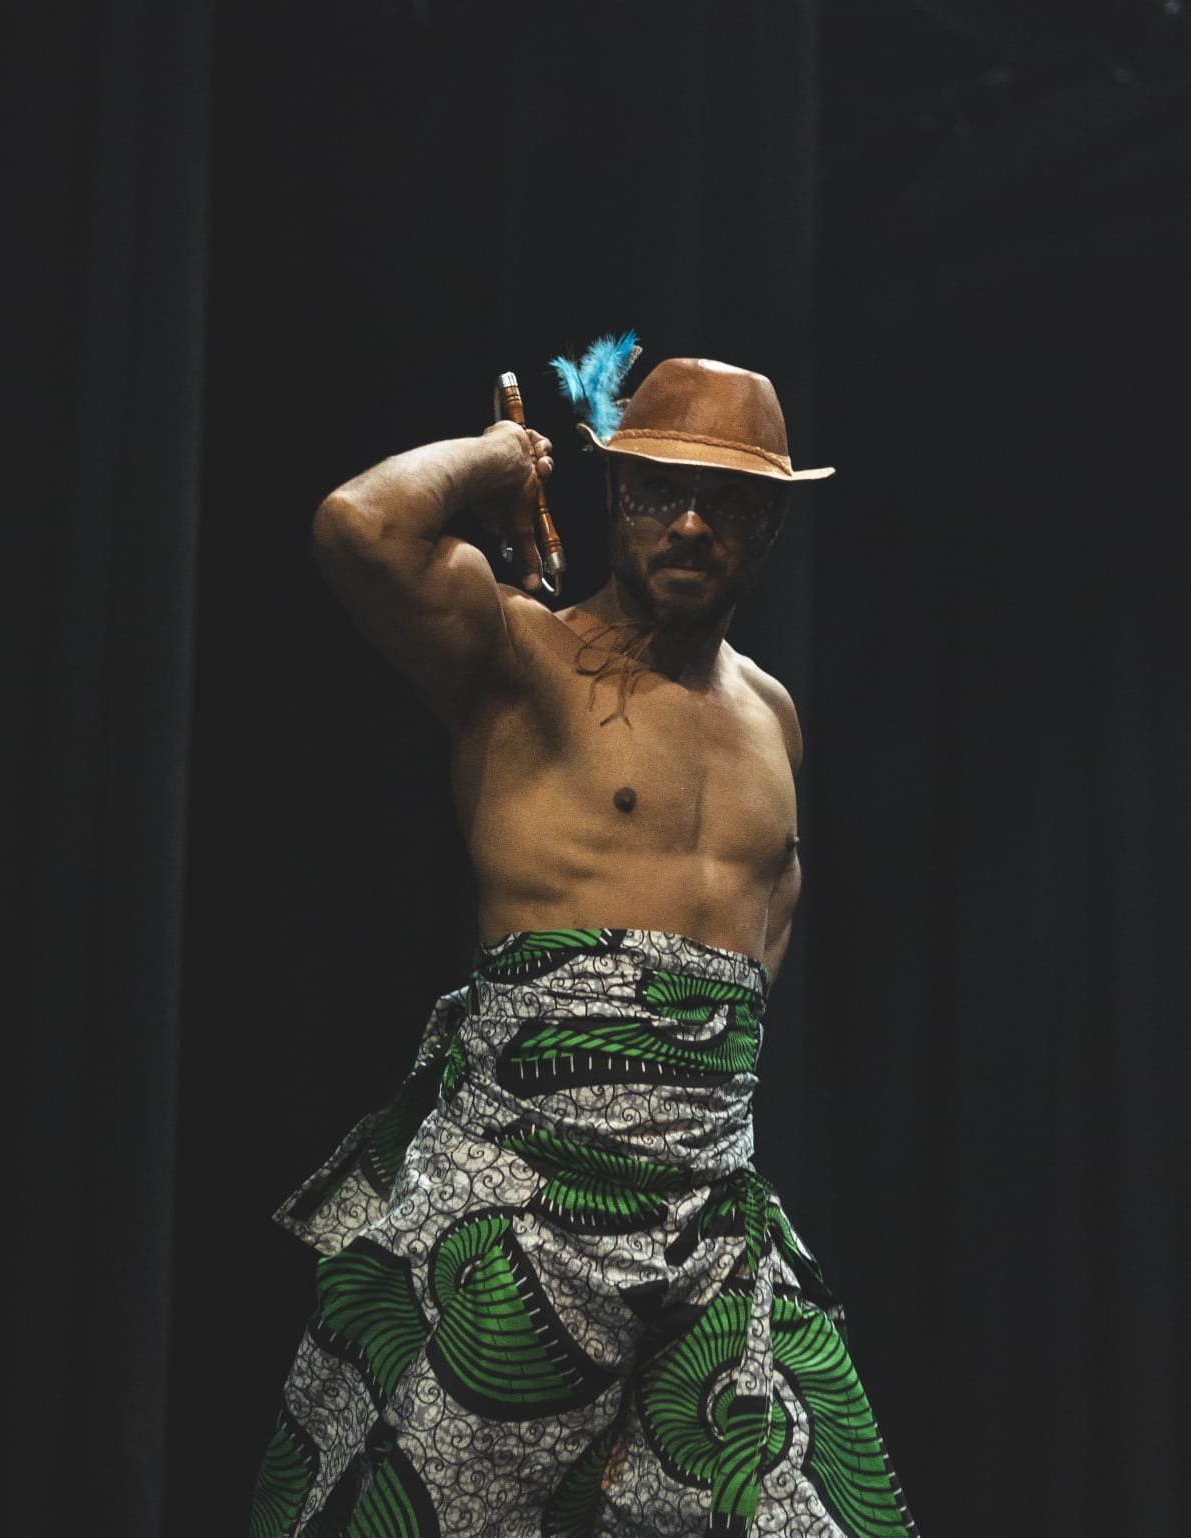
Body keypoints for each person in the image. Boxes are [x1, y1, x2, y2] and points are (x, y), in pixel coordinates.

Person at [251, 356, 917, 1538]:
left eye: (728, 500)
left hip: (711, 1230)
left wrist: (685, 1086)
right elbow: (360, 525)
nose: (692, 523)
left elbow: (772, 902)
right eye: (660, 491)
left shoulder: (772, 715)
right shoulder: (522, 660)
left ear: (770, 521)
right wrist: (499, 460)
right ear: (614, 494)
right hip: (523, 1213)